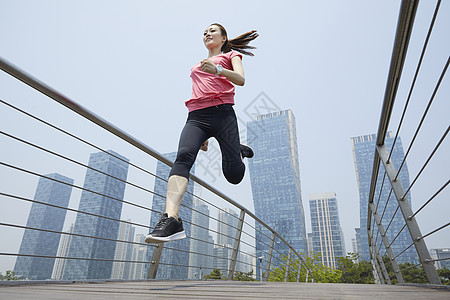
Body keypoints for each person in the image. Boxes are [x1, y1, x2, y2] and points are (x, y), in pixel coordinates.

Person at [145, 23, 258, 243]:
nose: (207, 34)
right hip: (196, 117)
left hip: (223, 114)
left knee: (234, 175)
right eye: (204, 32)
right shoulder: (198, 65)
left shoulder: (231, 55)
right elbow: (201, 89)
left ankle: (236, 150)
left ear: (223, 38)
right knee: (183, 156)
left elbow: (241, 80)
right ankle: (171, 219)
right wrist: (203, 135)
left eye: (212, 31)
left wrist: (217, 69)